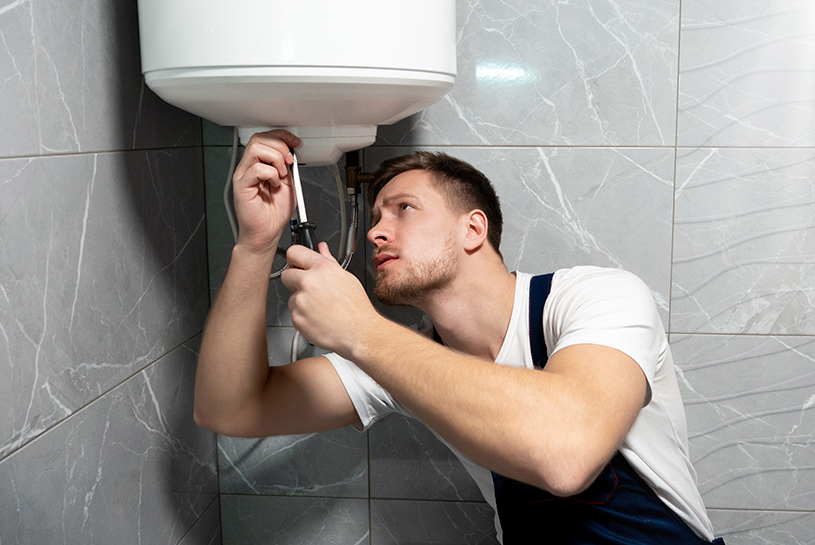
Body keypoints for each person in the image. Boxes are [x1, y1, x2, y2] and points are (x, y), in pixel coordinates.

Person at [194, 129, 722, 544]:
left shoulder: (594, 298)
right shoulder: (402, 358)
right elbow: (231, 410)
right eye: (375, 216)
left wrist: (362, 331)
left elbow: (566, 454)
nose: (376, 230)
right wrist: (254, 247)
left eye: (403, 209)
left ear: (474, 229)